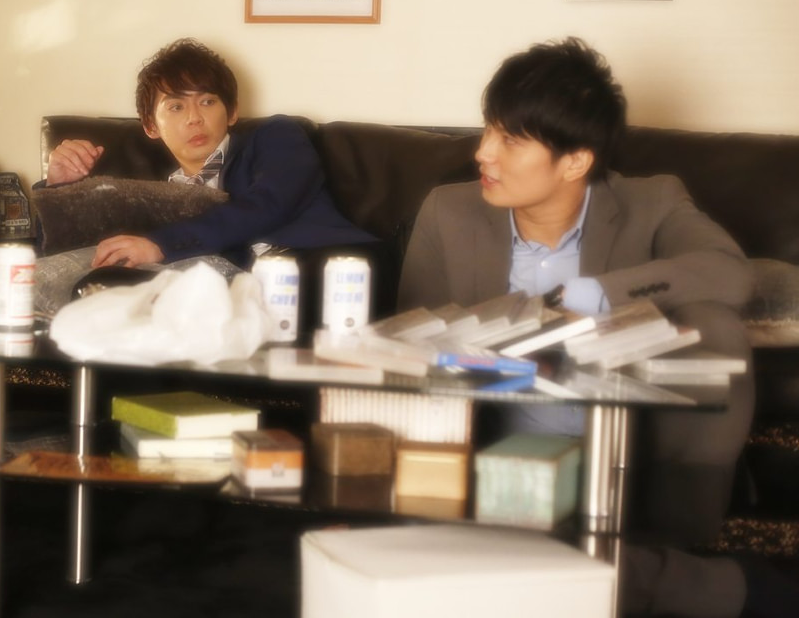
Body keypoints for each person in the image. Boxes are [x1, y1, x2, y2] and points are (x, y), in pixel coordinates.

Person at [397, 37, 794, 617]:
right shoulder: (447, 212)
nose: (483, 152)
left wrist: (603, 294)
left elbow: (729, 274)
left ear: (576, 161)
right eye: (488, 130)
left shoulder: (653, 202)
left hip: (619, 451)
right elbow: (412, 349)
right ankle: (706, 587)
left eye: (510, 139)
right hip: (499, 453)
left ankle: (598, 558)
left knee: (712, 320)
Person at [46, 38, 376, 271]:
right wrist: (59, 186)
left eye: (207, 101)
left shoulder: (277, 137)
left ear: (232, 112)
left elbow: (269, 204)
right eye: (176, 106)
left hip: (329, 270)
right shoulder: (155, 194)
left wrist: (160, 244)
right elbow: (82, 252)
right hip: (226, 303)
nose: (194, 118)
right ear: (150, 126)